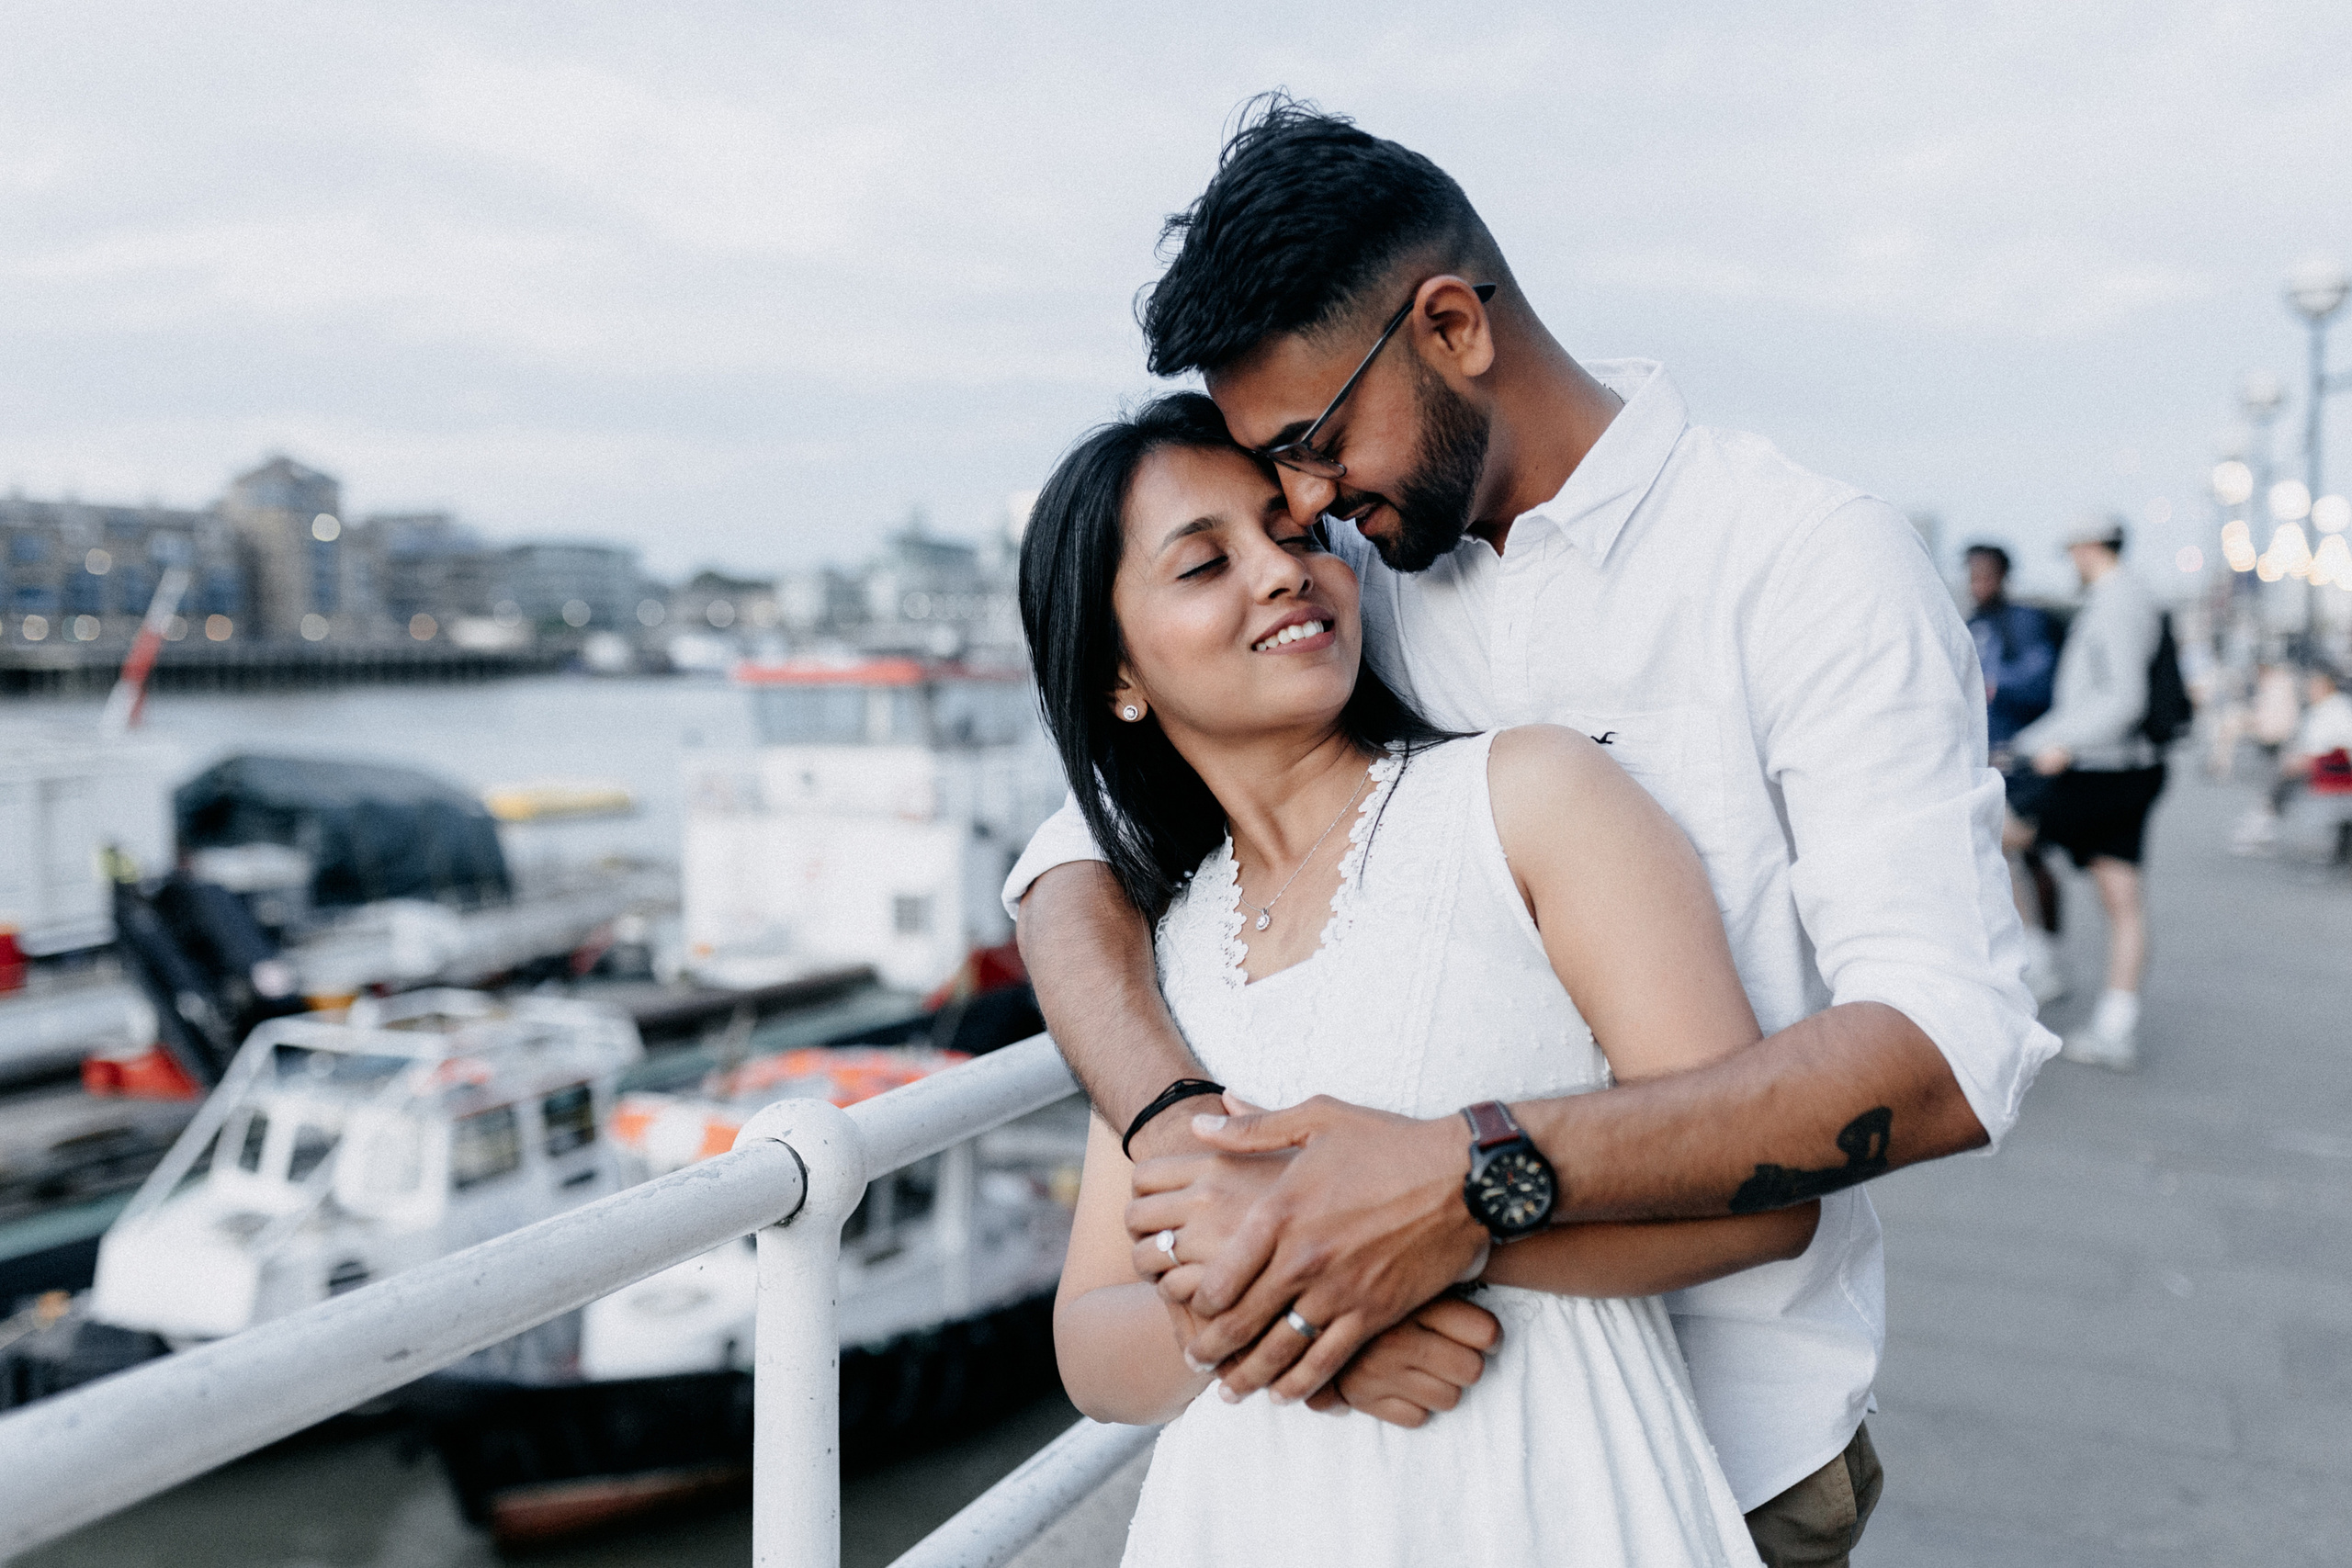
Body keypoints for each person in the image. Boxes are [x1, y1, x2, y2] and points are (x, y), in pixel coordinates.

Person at [1010, 100, 2054, 1564]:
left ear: (1451, 327)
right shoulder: (1366, 575)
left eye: (1311, 445)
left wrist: (1453, 1188)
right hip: (1347, 1467)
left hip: (1719, 1443)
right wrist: (1180, 1120)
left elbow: (1943, 1050)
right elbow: (1073, 869)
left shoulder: (1804, 568)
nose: (1305, 508)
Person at [1035, 396, 1796, 1565]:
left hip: (1552, 1505)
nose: (1283, 574)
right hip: (1248, 1519)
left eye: (1294, 538)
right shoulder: (1167, 950)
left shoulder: (1529, 800)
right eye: (1204, 564)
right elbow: (1094, 1340)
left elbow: (1767, 1193)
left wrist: (1431, 1238)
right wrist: (1274, 1318)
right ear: (1118, 678)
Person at [2005, 516, 2165, 1071]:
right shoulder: (2128, 597)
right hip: (2123, 768)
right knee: (2122, 899)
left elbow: (2121, 699)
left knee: (1991, 833)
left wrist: (2049, 745)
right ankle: (2116, 1024)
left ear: (2088, 546)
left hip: (2098, 769)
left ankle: (2038, 958)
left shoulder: (2116, 601)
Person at [1964, 543, 2066, 1004]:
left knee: (2023, 855)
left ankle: (2045, 958)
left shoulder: (2024, 621)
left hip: (2027, 759)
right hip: (1988, 758)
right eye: (1972, 573)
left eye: (1985, 574)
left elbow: (2041, 682)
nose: (1977, 582)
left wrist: (1994, 685)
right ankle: (2035, 956)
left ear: (2004, 575)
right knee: (2012, 857)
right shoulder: (1973, 623)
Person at [2269, 660, 2352, 863]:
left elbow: (2334, 750)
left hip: (2331, 774)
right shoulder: (2328, 708)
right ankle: (2267, 815)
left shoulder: (2332, 711)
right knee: (2281, 775)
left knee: (2283, 778)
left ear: (2325, 686)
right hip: (2329, 769)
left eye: (2313, 685)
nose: (2308, 689)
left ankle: (2266, 817)